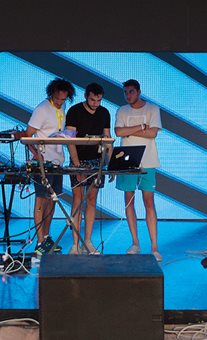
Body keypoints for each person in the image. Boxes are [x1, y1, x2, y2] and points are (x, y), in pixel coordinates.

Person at [20, 78, 75, 242]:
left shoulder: (63, 107)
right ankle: (39, 241)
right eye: (57, 99)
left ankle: (46, 236)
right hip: (43, 162)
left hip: (58, 159)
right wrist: (37, 156)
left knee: (53, 199)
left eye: (63, 99)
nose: (60, 102)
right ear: (52, 94)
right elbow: (26, 135)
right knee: (41, 199)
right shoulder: (41, 109)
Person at [114, 79, 163, 261]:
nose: (128, 95)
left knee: (149, 202)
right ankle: (135, 242)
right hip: (127, 159)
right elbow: (118, 132)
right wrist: (142, 127)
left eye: (131, 92)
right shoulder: (122, 110)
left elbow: (153, 133)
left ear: (139, 92)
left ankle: (154, 246)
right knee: (129, 200)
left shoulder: (152, 109)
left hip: (148, 160)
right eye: (126, 92)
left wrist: (130, 130)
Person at [64, 83, 111, 254]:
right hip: (79, 160)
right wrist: (77, 166)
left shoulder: (104, 112)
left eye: (99, 100)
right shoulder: (74, 111)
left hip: (97, 161)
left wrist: (110, 163)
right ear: (86, 96)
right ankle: (75, 244)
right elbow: (69, 140)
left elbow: (107, 139)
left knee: (92, 199)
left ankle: (88, 241)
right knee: (78, 199)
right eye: (92, 99)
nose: (95, 103)